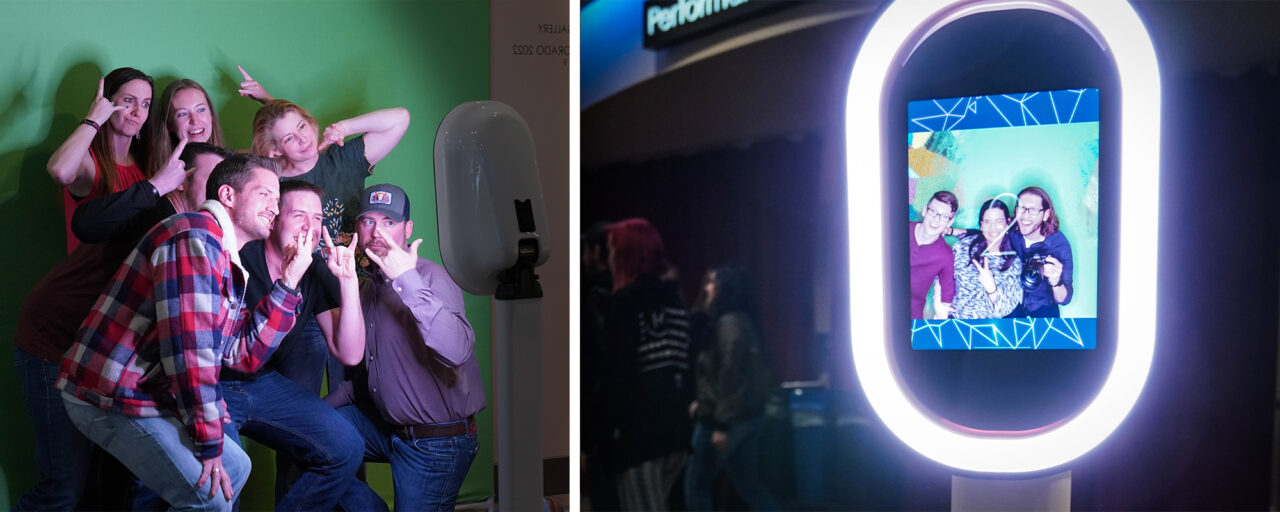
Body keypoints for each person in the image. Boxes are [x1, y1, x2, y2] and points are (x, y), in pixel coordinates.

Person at [56, 153, 310, 512]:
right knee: (212, 497)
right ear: (228, 195)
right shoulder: (194, 236)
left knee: (238, 466)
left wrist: (288, 283)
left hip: (147, 392)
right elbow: (190, 354)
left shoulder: (223, 254)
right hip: (107, 394)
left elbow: (241, 354)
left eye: (277, 196)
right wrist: (209, 443)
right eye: (265, 194)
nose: (276, 205)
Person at [13, 142, 227, 511]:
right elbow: (85, 222)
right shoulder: (154, 212)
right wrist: (155, 185)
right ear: (181, 181)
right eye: (213, 181)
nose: (223, 195)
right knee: (64, 486)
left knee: (117, 480)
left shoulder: (202, 235)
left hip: (106, 362)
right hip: (54, 341)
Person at [325, 184, 485, 511]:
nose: (376, 232)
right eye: (367, 221)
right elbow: (363, 379)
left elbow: (458, 350)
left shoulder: (432, 278)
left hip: (437, 442)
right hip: (390, 430)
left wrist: (407, 279)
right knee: (311, 436)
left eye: (388, 222)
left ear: (407, 229)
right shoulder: (369, 290)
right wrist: (313, 412)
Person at [217, 180, 366, 511]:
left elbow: (350, 353)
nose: (309, 227)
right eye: (299, 215)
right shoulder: (239, 258)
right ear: (274, 220)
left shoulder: (316, 270)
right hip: (216, 384)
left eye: (316, 218)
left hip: (265, 385)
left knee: (347, 446)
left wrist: (348, 283)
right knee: (225, 477)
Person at [601, 218, 692, 511]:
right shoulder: (675, 301)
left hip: (638, 436)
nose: (610, 258)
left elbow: (618, 375)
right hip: (677, 433)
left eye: (613, 250)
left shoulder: (626, 302)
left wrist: (601, 434)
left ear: (626, 255)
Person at [250, 99, 410, 247]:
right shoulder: (271, 185)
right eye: (289, 139)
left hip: (362, 275)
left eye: (302, 126)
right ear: (275, 150)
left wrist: (344, 128)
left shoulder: (344, 159)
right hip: (302, 276)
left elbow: (400, 118)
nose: (303, 139)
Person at [684, 266, 779, 511]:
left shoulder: (728, 324)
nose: (707, 288)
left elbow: (729, 375)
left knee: (696, 488)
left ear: (725, 290)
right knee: (751, 488)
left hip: (724, 420)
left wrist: (720, 424)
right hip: (746, 416)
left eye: (713, 283)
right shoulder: (743, 322)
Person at [47, 67, 153, 253]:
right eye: (129, 101)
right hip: (91, 279)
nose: (138, 112)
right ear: (106, 103)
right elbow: (60, 171)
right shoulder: (88, 160)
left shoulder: (145, 163)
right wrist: (94, 118)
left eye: (146, 104)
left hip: (131, 279)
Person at [144, 67, 273, 177]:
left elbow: (286, 150)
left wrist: (268, 100)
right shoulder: (159, 174)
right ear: (170, 124)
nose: (195, 120)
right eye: (182, 114)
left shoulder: (231, 162)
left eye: (200, 110)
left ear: (211, 114)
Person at [951, 199, 1024, 319]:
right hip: (957, 323)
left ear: (1008, 223)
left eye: (999, 221)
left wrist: (991, 287)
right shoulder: (963, 247)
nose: (993, 228)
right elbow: (942, 273)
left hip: (989, 329)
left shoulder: (1014, 263)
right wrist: (939, 303)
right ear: (981, 225)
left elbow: (1006, 308)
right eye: (987, 222)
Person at [1008, 186, 1074, 317]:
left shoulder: (1059, 245)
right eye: (1021, 208)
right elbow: (987, 233)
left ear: (1046, 215)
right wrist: (957, 232)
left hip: (1043, 310)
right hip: (1011, 309)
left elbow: (1064, 299)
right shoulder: (1010, 232)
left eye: (1032, 210)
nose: (1025, 216)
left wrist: (1056, 281)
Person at [910, 190, 958, 319]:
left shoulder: (945, 255)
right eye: (933, 212)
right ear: (925, 210)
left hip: (910, 314)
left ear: (950, 222)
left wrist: (942, 313)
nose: (936, 220)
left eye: (944, 216)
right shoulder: (900, 229)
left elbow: (947, 292)